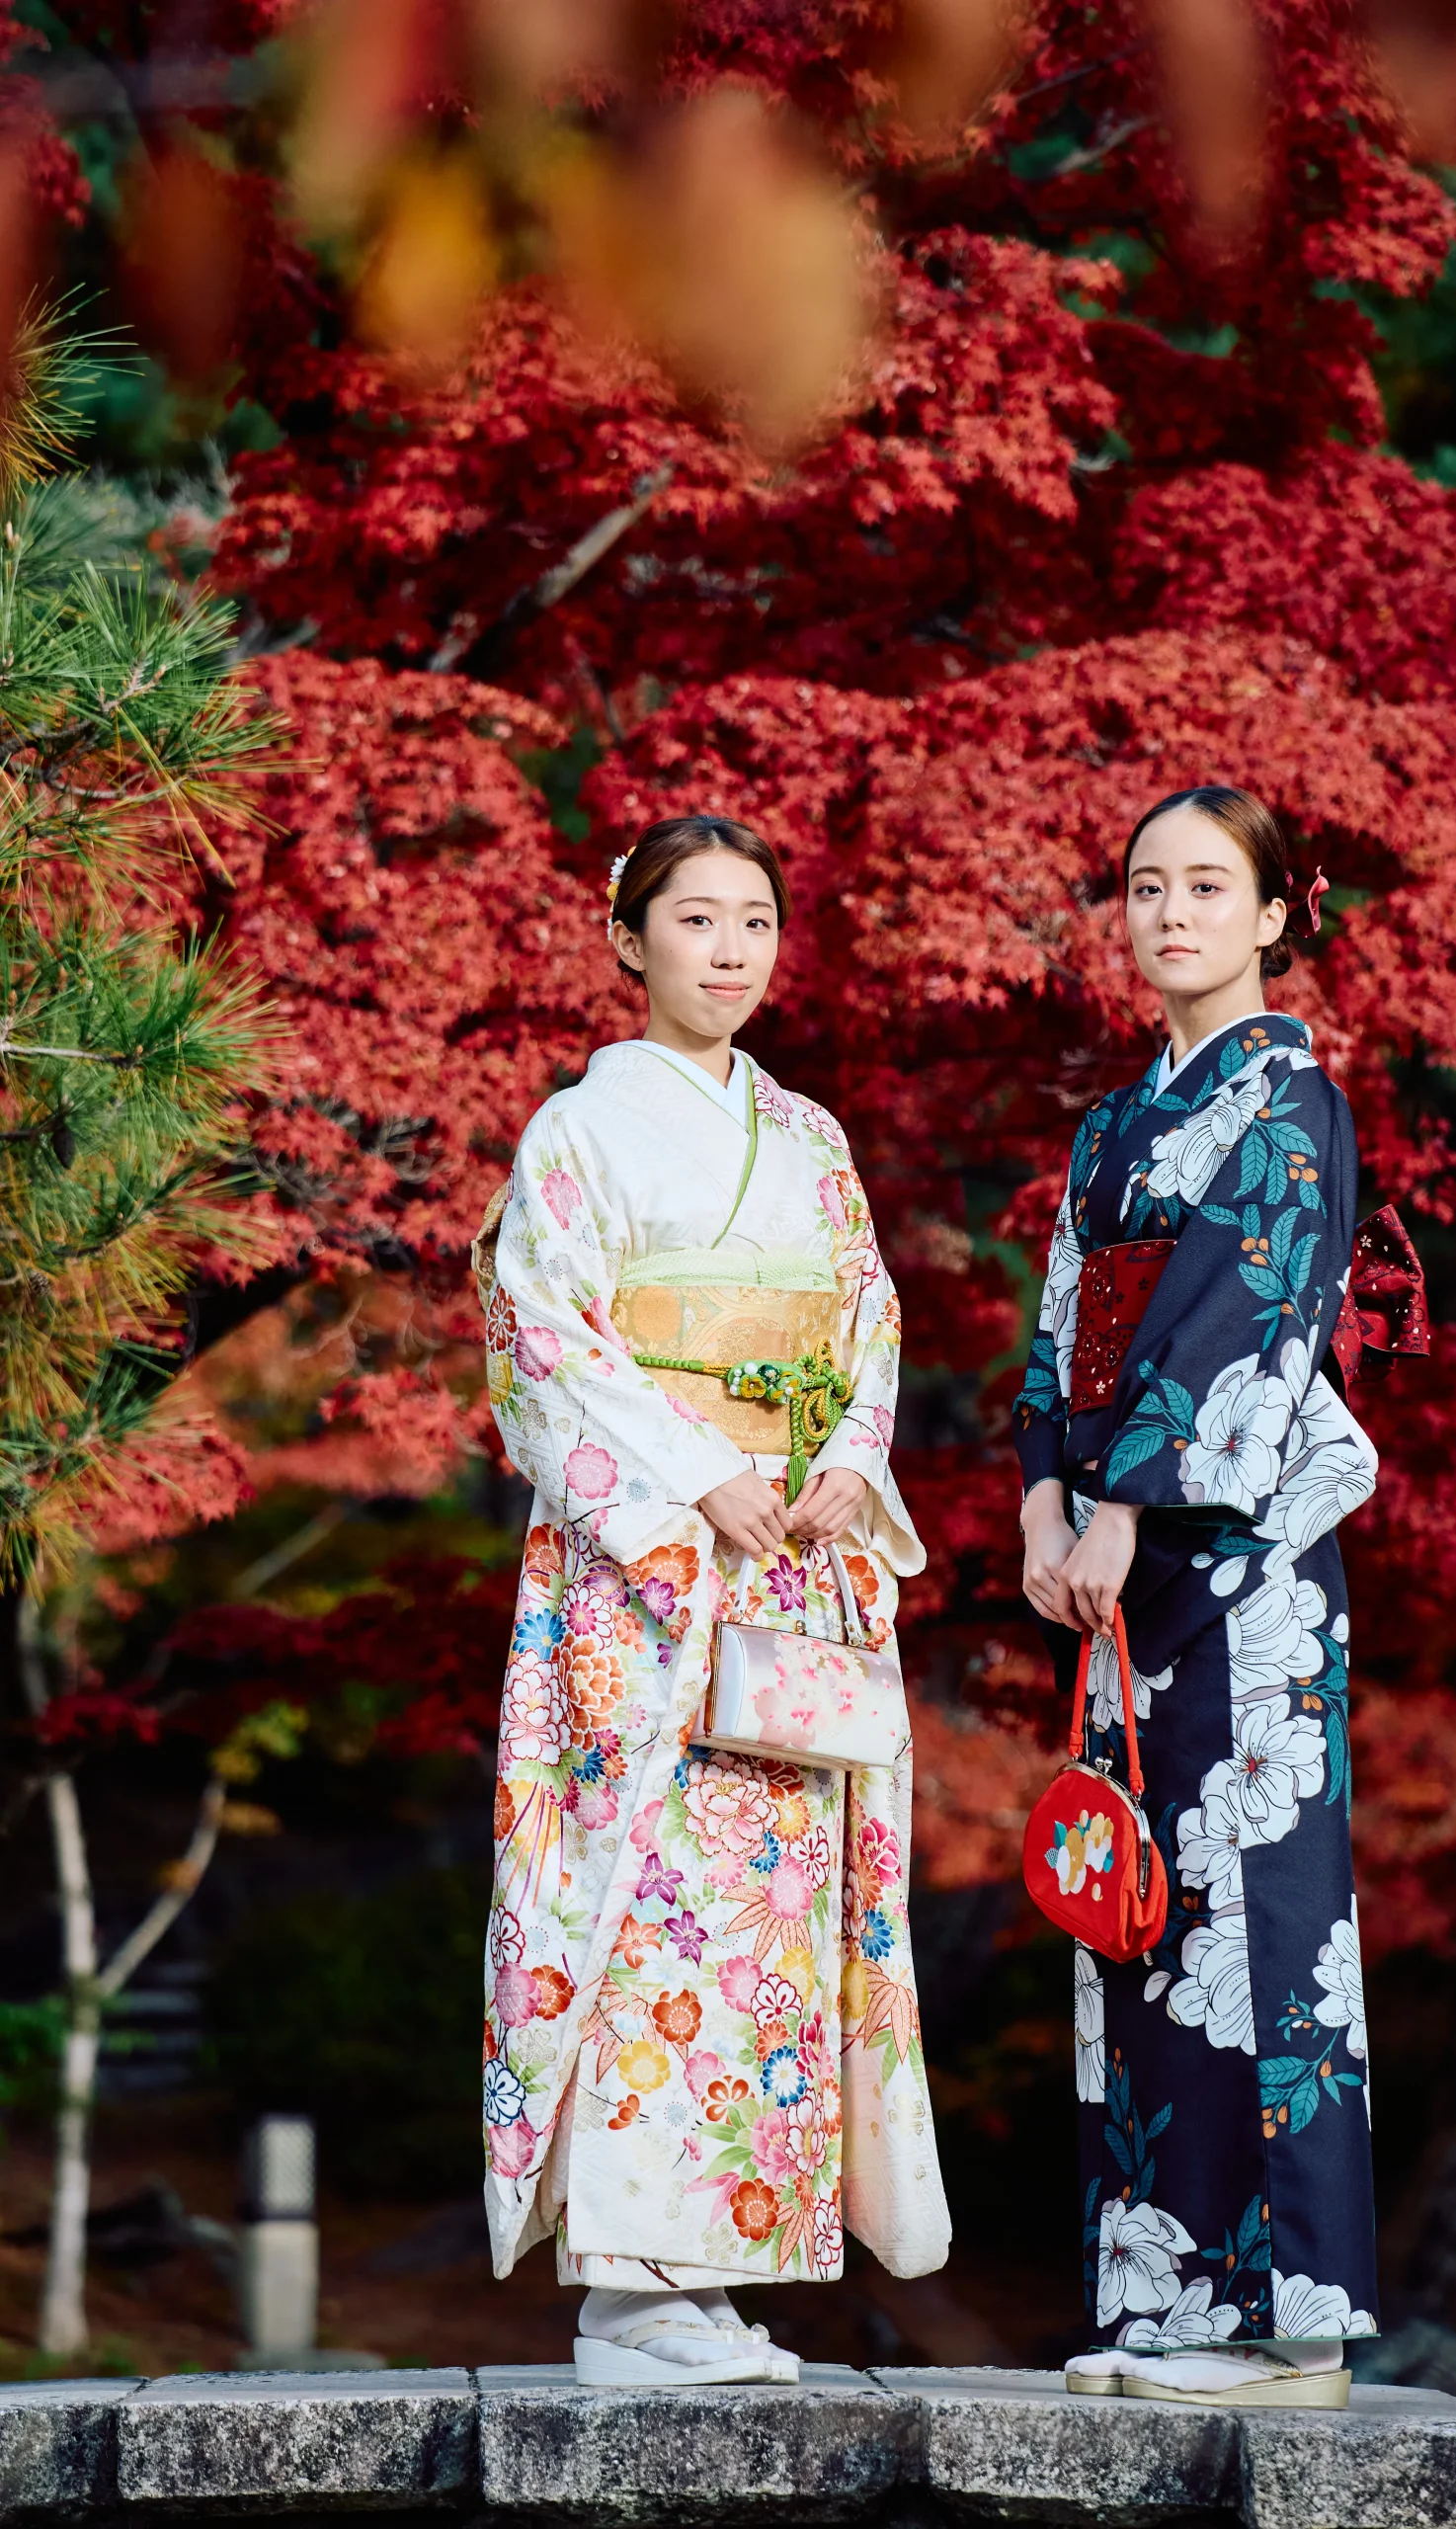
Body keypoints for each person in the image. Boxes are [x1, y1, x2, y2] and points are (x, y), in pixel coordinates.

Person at [475, 811, 950, 2388]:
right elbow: (544, 1337)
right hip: (649, 1569)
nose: (730, 948)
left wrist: (846, 1462)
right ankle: (628, 2290)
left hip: (790, 1558)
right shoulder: (576, 1132)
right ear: (629, 939)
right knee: (644, 1895)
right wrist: (692, 1474)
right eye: (695, 918)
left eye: (755, 919)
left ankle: (718, 2268)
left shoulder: (809, 1136)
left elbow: (868, 1321)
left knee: (771, 1913)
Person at [1015, 786, 1384, 2409]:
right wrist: (1040, 1492)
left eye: (1207, 888)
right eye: (1145, 887)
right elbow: (1061, 1329)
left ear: (1273, 916)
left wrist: (1115, 1503)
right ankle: (1166, 2309)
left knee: (1260, 1922)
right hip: (1116, 1568)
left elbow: (1241, 1324)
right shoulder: (1112, 1125)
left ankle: (1291, 2327)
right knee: (1142, 1914)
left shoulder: (1293, 1106)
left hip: (1240, 1571)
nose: (1170, 914)